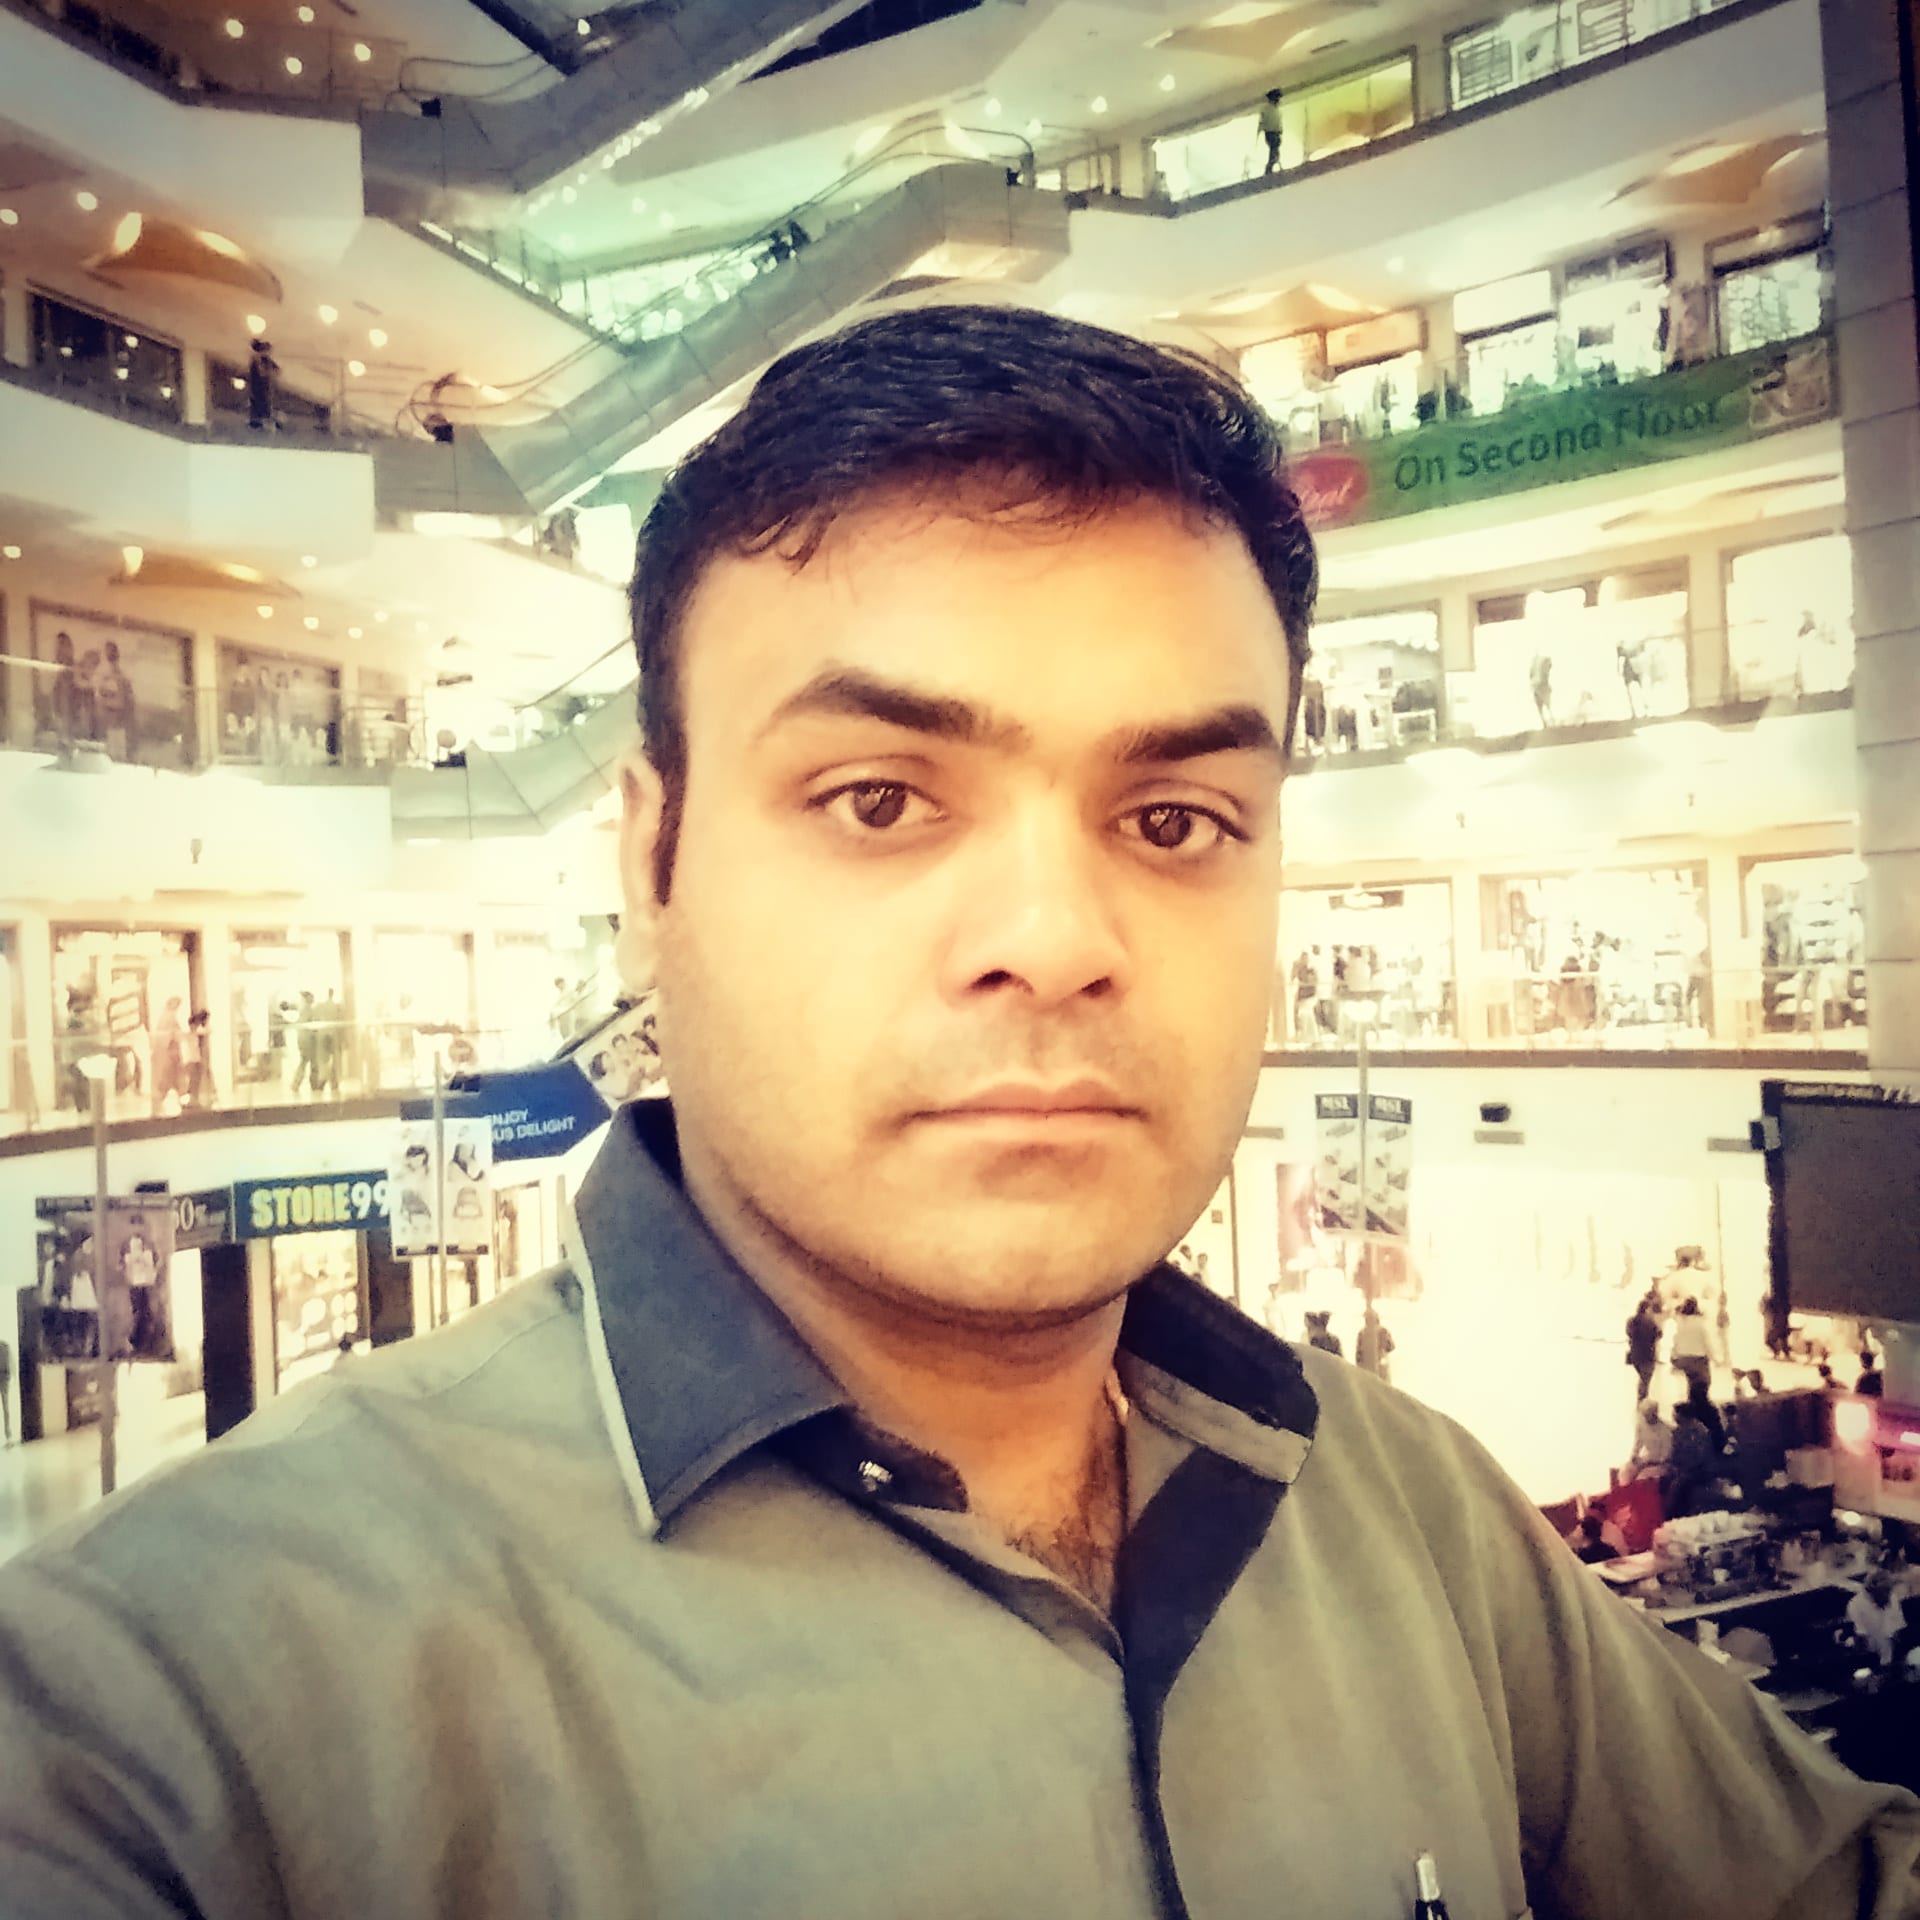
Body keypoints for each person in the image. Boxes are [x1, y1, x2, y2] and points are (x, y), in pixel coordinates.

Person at [0, 306, 1914, 1918]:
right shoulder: (170, 1719)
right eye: (881, 800)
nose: (1056, 940)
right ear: (651, 866)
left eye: (1176, 819)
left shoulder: (1405, 1515)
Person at [95, 639, 135, 762]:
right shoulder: (105, 675)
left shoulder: (121, 677)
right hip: (108, 724)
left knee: (117, 756)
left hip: (119, 725)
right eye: (107, 652)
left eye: (111, 652)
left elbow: (121, 702)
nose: (109, 655)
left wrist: (104, 701)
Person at [1670, 1295, 1713, 1399]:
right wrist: (1713, 1357)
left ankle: (1691, 1400)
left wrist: (1673, 1355)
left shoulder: (1680, 1322)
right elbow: (1706, 1342)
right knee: (1704, 1382)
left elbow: (1675, 1339)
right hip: (1698, 1358)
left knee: (1691, 1381)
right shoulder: (1699, 1322)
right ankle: (1699, 1401)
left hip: (1682, 1357)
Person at [1625, 1289, 1662, 1403]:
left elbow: (1629, 1333)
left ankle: (1642, 1399)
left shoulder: (1631, 1320)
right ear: (1647, 1309)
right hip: (1647, 1354)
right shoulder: (1650, 1322)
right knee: (1645, 1379)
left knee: (1643, 1377)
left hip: (1635, 1354)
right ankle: (1642, 1401)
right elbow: (1658, 1334)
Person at [1625, 1396, 1672, 1480]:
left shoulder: (1665, 1429)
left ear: (1655, 1413)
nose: (1646, 1417)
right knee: (1626, 1471)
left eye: (1648, 1414)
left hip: (1661, 1464)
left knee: (1642, 1477)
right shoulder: (1641, 1425)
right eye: (1644, 1414)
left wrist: (1652, 1462)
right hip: (1647, 1460)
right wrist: (1634, 1455)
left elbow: (1665, 1455)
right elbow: (1638, 1443)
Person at [1355, 1301, 1394, 1382]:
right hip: (1381, 1365)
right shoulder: (1383, 1331)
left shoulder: (1362, 1333)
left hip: (1367, 1368)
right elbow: (1391, 1347)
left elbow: (1358, 1355)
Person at [246, 337, 277, 430]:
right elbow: (261, 373)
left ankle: (260, 421)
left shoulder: (265, 360)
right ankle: (257, 422)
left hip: (264, 387)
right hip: (258, 387)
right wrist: (268, 372)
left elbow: (276, 369)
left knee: (264, 403)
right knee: (259, 403)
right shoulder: (257, 360)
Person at [1257, 87, 1284, 175]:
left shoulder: (1272, 109)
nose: (1278, 100)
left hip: (1274, 133)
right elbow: (1263, 122)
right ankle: (1269, 168)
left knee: (1274, 150)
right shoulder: (1269, 109)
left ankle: (1270, 168)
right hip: (1271, 133)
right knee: (1274, 151)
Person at [0, 1335, 11, 1446]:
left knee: (5, 1408)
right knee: (5, 1408)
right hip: (4, 1378)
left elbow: (9, 1363)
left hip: (4, 1378)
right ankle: (8, 1437)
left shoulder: (4, 1346)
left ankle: (8, 1436)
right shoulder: (5, 1346)